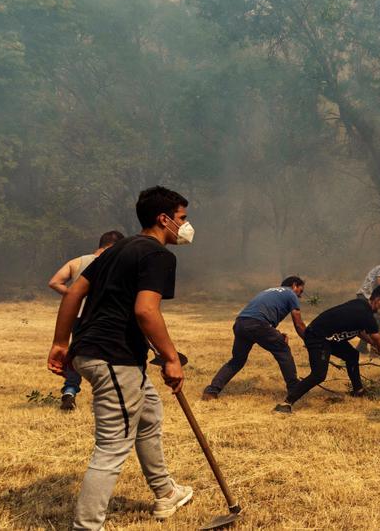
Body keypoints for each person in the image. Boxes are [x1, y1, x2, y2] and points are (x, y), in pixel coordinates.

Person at [46, 186, 196, 529]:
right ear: (164, 219)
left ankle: (165, 493)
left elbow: (73, 294)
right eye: (183, 218)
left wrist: (60, 341)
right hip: (114, 357)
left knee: (149, 414)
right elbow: (146, 311)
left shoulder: (115, 250)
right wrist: (171, 358)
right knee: (112, 447)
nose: (187, 226)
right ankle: (86, 526)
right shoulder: (158, 255)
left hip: (95, 351)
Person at [274, 285, 380, 413]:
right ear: (377, 299)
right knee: (318, 375)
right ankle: (286, 403)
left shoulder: (360, 305)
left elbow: (360, 331)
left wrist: (373, 344)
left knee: (352, 355)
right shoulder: (366, 315)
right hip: (318, 337)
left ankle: (358, 390)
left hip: (329, 337)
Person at [46, 230, 125, 411]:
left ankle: (70, 391)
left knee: (76, 355)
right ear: (116, 247)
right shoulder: (116, 263)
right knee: (108, 356)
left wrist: (74, 295)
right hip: (105, 318)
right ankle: (108, 396)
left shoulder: (78, 261)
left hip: (77, 315)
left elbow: (54, 282)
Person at [202, 276, 308, 401]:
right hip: (258, 325)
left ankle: (211, 391)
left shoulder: (269, 291)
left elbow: (259, 315)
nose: (299, 296)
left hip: (241, 323)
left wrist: (277, 334)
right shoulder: (290, 294)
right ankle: (294, 391)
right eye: (300, 291)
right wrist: (310, 341)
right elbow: (299, 324)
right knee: (283, 351)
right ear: (294, 285)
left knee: (237, 361)